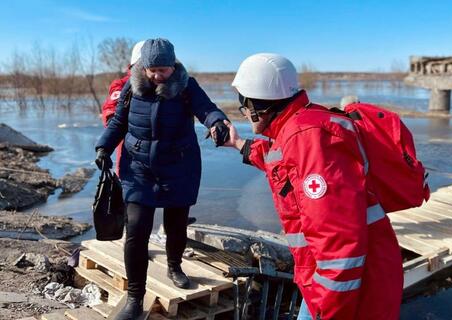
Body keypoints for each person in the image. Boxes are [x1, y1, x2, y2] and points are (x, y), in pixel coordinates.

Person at [218, 53, 403, 319]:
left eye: (243, 106)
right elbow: (284, 163)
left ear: (259, 105)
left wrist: (327, 312)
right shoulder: (302, 122)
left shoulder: (308, 140)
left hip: (350, 286)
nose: (244, 114)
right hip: (326, 278)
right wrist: (239, 145)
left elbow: (340, 247)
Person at [95, 38, 230, 320]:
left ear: (173, 66)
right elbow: (119, 122)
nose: (158, 76)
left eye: (163, 70)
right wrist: (103, 147)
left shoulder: (186, 86)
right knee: (136, 231)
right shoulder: (131, 87)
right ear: (143, 67)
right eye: (152, 70)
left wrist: (217, 122)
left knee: (176, 224)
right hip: (139, 168)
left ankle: (174, 265)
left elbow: (206, 108)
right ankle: (134, 298)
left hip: (178, 166)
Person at [100, 40, 145, 177]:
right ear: (134, 65)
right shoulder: (122, 85)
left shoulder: (168, 85)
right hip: (131, 154)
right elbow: (111, 114)